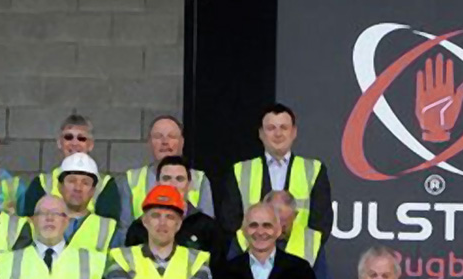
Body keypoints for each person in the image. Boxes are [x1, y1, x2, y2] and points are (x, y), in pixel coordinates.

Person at [224, 104, 333, 253]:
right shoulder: (240, 170)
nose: (278, 133)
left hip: (300, 260)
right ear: (261, 134)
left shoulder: (314, 170)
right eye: (271, 128)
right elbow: (230, 220)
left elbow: (321, 222)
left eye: (284, 127)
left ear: (294, 132)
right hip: (250, 258)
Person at [22, 114, 121, 220]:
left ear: (90, 145)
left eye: (81, 138)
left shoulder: (105, 185)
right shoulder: (42, 184)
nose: (74, 143)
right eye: (68, 137)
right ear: (60, 143)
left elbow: (109, 228)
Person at [119, 115, 215, 224]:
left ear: (182, 143)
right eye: (158, 136)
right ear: (149, 143)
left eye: (172, 136)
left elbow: (208, 228)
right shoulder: (130, 180)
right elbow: (125, 229)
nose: (165, 141)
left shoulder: (200, 180)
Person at [123, 155, 221, 258]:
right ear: (157, 183)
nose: (173, 185)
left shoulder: (207, 228)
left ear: (190, 185)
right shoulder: (140, 228)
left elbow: (216, 270)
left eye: (179, 179)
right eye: (166, 178)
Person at [50, 153, 118, 252]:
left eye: (85, 183)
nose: (78, 188)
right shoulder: (43, 222)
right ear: (60, 187)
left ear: (93, 191)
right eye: (72, 181)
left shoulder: (109, 228)